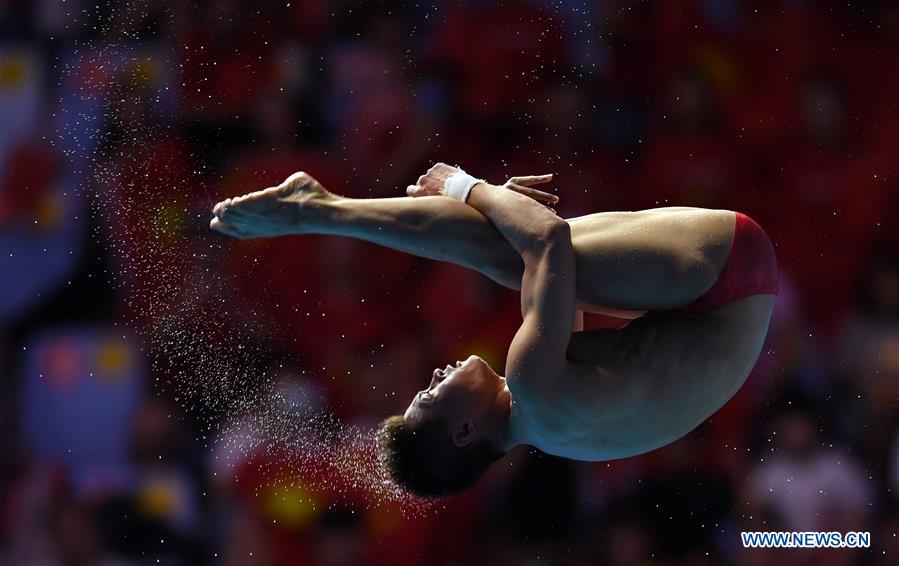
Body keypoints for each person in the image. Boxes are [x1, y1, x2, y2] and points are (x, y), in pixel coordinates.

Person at [210, 163, 778, 497]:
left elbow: (556, 280)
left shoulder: (551, 428)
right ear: (463, 432)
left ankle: (323, 209)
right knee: (513, 256)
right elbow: (551, 242)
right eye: (430, 395)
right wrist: (468, 187)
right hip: (725, 272)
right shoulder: (530, 384)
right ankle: (315, 210)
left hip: (729, 295)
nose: (433, 376)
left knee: (520, 259)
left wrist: (508, 213)